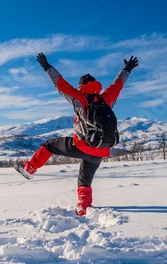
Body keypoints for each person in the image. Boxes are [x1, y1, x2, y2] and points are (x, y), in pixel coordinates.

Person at [15, 52, 139, 216]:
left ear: (82, 87)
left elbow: (61, 85)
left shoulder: (80, 98)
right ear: (96, 86)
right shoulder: (106, 99)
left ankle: (30, 169)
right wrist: (127, 69)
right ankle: (84, 208)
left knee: (49, 145)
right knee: (85, 181)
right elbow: (117, 85)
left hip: (82, 146)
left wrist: (47, 66)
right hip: (100, 150)